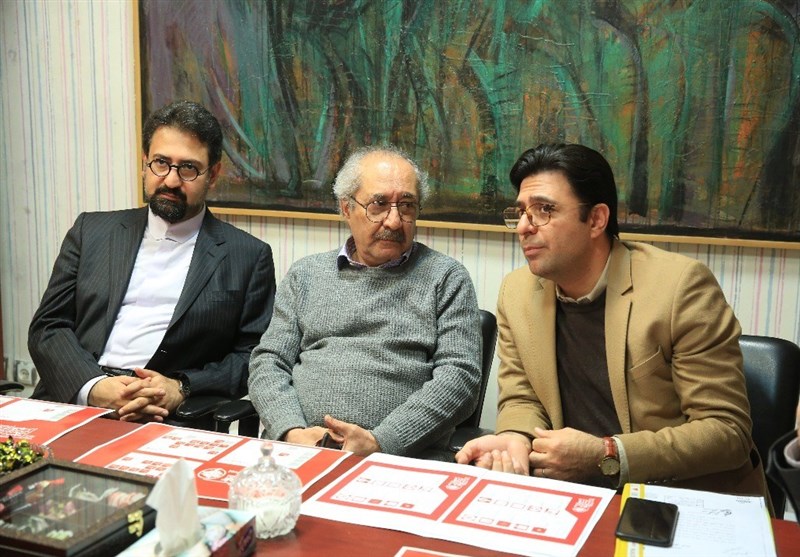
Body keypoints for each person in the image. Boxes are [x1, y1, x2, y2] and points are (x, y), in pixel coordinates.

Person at [456, 143, 769, 501]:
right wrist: (515, 437)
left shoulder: (679, 287)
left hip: (680, 496)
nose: (524, 227)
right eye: (522, 212)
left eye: (544, 210)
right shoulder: (517, 291)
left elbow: (726, 432)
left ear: (596, 220)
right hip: (572, 493)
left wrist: (607, 455)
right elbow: (522, 397)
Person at [28, 100, 276, 424]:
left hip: (164, 414)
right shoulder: (91, 231)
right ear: (144, 163)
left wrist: (181, 387)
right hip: (75, 396)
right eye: (161, 163)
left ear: (213, 174)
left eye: (188, 168)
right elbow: (48, 326)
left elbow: (253, 356)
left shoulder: (248, 256)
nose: (171, 181)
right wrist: (94, 386)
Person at [248, 145, 481, 460]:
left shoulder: (447, 277)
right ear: (346, 208)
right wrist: (291, 431)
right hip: (297, 450)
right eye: (379, 205)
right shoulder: (306, 274)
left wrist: (381, 442)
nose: (394, 221)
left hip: (398, 459)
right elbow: (268, 361)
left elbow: (460, 379)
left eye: (407, 206)